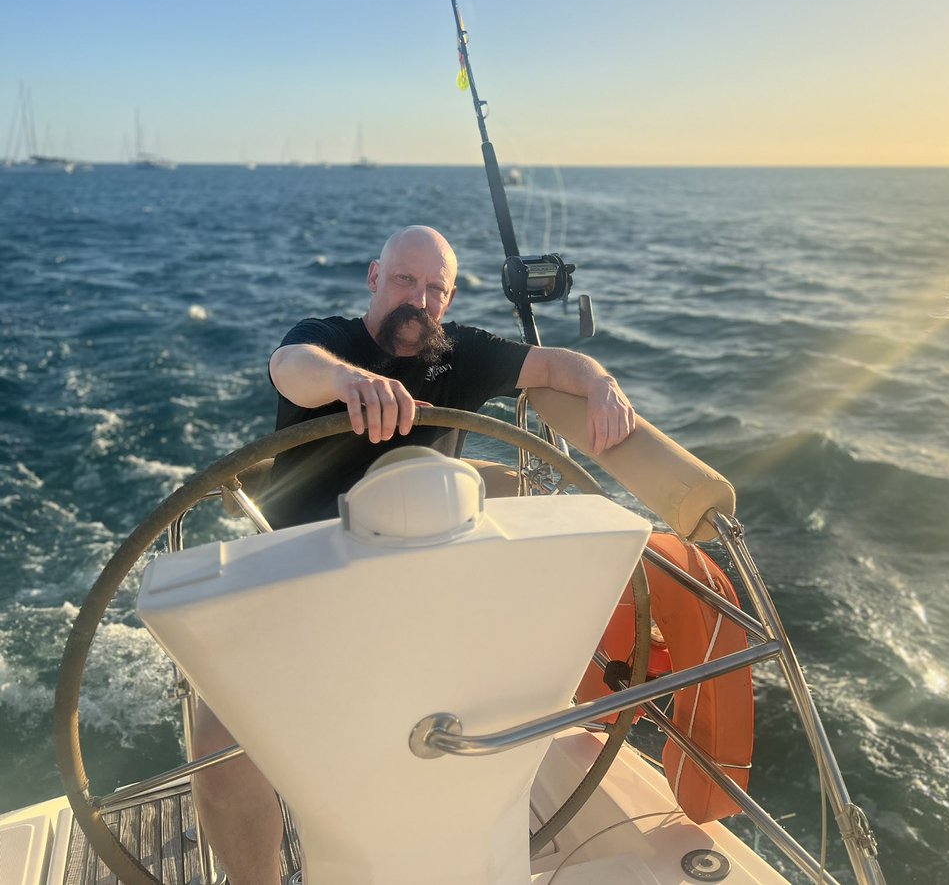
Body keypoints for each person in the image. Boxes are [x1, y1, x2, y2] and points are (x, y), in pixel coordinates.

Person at [191, 225, 637, 884]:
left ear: (449, 299)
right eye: (405, 280)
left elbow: (553, 367)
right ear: (375, 278)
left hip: (418, 578)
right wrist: (350, 384)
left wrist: (600, 383)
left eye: (436, 288)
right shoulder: (330, 343)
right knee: (216, 750)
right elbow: (290, 367)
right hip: (299, 567)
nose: (419, 298)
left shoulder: (460, 357)